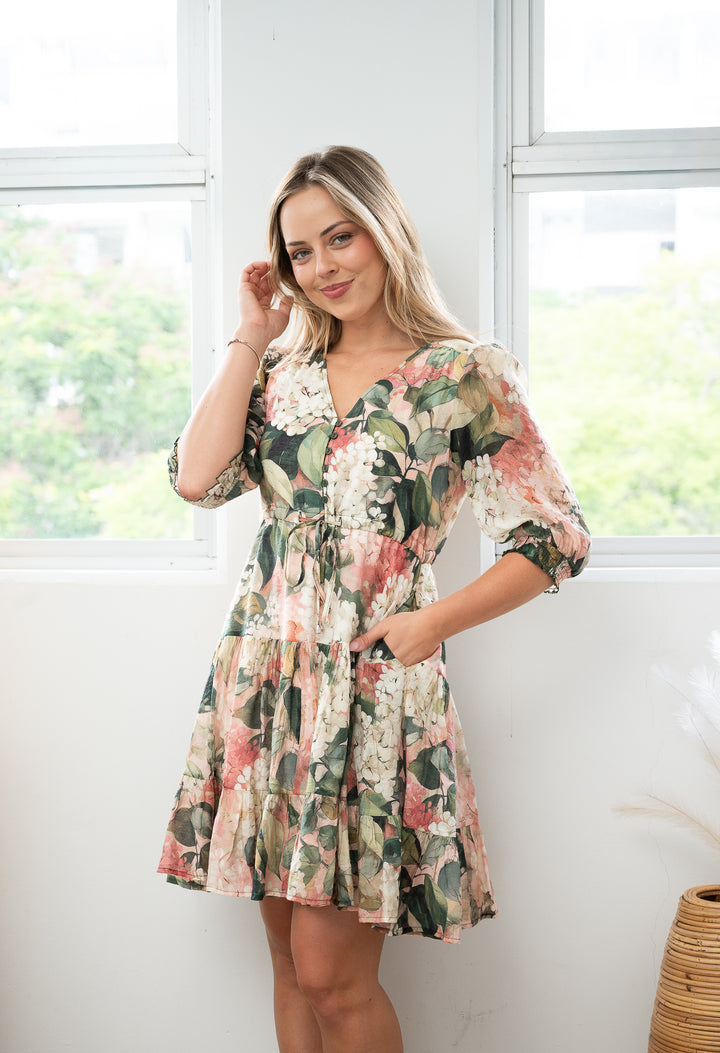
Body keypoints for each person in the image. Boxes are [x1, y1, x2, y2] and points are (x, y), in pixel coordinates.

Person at [157, 145, 591, 1053]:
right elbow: (196, 478)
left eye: (339, 237)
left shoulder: (463, 372)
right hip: (269, 683)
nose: (323, 267)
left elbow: (554, 536)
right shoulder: (282, 375)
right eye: (300, 253)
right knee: (287, 967)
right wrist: (251, 331)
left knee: (332, 975)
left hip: (374, 688)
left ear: (384, 228)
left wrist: (432, 622)